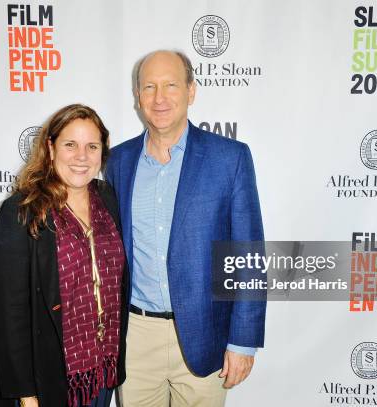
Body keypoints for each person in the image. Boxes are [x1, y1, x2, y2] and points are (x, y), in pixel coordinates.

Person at [105, 50, 265, 406]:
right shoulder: (118, 161)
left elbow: (249, 256)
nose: (159, 98)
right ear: (137, 97)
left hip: (205, 334)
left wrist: (242, 341)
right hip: (135, 337)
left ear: (191, 91)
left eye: (170, 85)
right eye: (149, 87)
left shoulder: (230, 158)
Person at [0, 104, 128, 407]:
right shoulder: (21, 212)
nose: (81, 156)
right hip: (48, 379)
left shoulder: (107, 198)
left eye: (92, 146)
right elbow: (8, 316)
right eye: (70, 145)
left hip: (102, 371)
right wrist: (26, 395)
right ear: (50, 149)